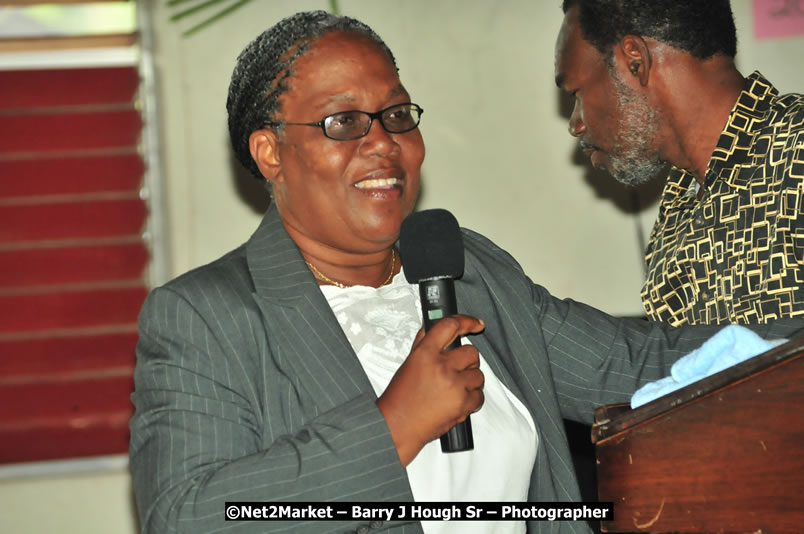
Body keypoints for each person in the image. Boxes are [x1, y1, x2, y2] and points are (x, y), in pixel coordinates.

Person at [129, 10, 801, 534]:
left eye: (395, 114)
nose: (383, 141)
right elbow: (188, 516)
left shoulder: (466, 268)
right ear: (271, 151)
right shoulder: (205, 317)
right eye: (343, 121)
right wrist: (393, 428)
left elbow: (639, 366)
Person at [554, 0, 804, 326]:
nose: (576, 125)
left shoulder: (795, 150)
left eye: (577, 92)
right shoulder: (679, 206)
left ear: (635, 61)